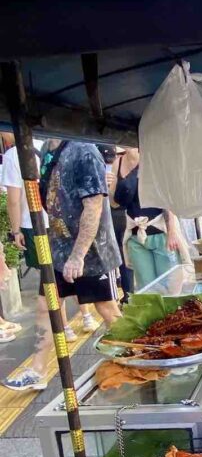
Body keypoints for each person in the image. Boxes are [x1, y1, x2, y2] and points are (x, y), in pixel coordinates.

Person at [4, 140, 122, 393]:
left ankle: (137, 359)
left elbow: (94, 205)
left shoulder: (85, 151)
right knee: (46, 305)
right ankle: (37, 369)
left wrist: (78, 255)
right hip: (59, 249)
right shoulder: (48, 149)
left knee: (107, 309)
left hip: (93, 252)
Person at [2, 140, 99, 344]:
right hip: (65, 224)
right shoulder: (50, 146)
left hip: (36, 225)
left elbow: (13, 198)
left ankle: (63, 327)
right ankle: (87, 316)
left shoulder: (15, 154)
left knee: (51, 282)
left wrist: (15, 230)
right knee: (71, 275)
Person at [112, 148, 187, 290]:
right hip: (135, 235)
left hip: (160, 231)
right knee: (146, 287)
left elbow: (168, 198)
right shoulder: (118, 162)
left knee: (169, 285)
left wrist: (172, 231)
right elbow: (114, 203)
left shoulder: (154, 159)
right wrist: (109, 186)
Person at [102, 146, 133, 301]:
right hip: (115, 215)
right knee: (123, 256)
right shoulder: (117, 164)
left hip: (127, 215)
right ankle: (128, 294)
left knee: (125, 255)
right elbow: (112, 199)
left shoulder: (121, 163)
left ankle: (129, 294)